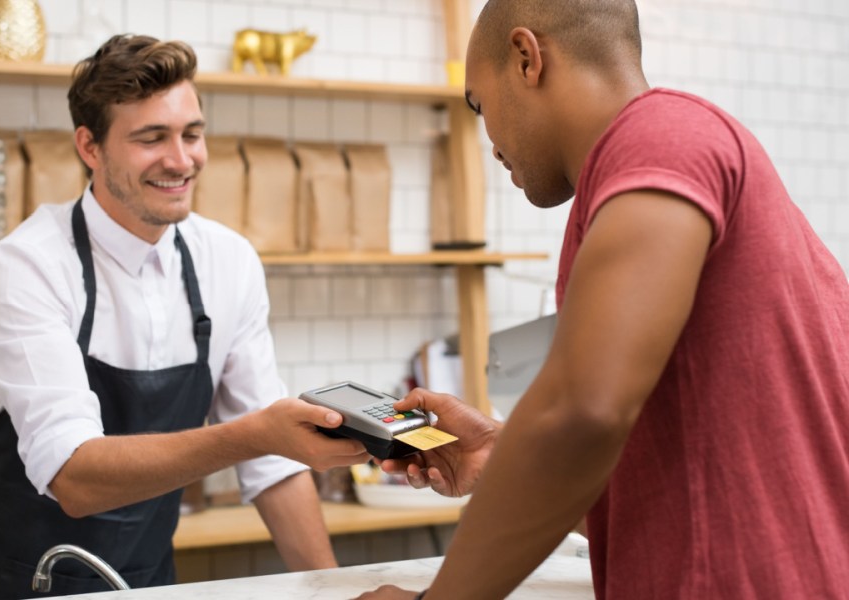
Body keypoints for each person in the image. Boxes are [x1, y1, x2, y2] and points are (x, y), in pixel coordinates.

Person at [356, 0, 849, 598]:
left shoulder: (662, 138)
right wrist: (502, 457)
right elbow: (674, 476)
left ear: (526, 57)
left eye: (480, 105)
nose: (491, 144)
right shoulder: (657, 164)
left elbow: (581, 413)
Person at [0, 34, 369, 599]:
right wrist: (255, 435)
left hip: (139, 585)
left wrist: (332, 590)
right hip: (4, 583)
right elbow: (74, 478)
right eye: (151, 138)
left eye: (192, 134)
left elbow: (272, 467)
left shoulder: (228, 262)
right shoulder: (28, 266)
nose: (181, 160)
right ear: (90, 147)